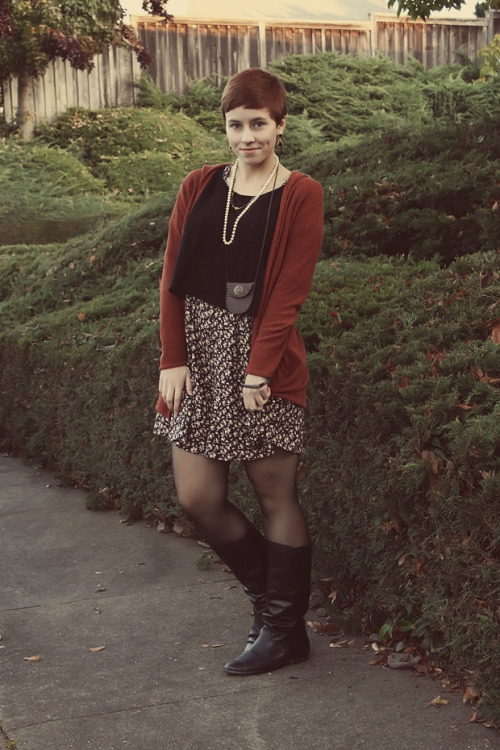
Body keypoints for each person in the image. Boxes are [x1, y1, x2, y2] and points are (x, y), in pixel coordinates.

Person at [154, 67, 324, 676]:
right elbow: (171, 275)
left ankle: (283, 632)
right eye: (235, 125)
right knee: (198, 495)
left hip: (264, 362)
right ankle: (271, 609)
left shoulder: (300, 192)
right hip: (198, 360)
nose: (247, 136)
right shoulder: (199, 184)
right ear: (223, 127)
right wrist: (173, 357)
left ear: (280, 125)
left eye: (259, 124)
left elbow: (289, 294)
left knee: (275, 494)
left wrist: (258, 372)